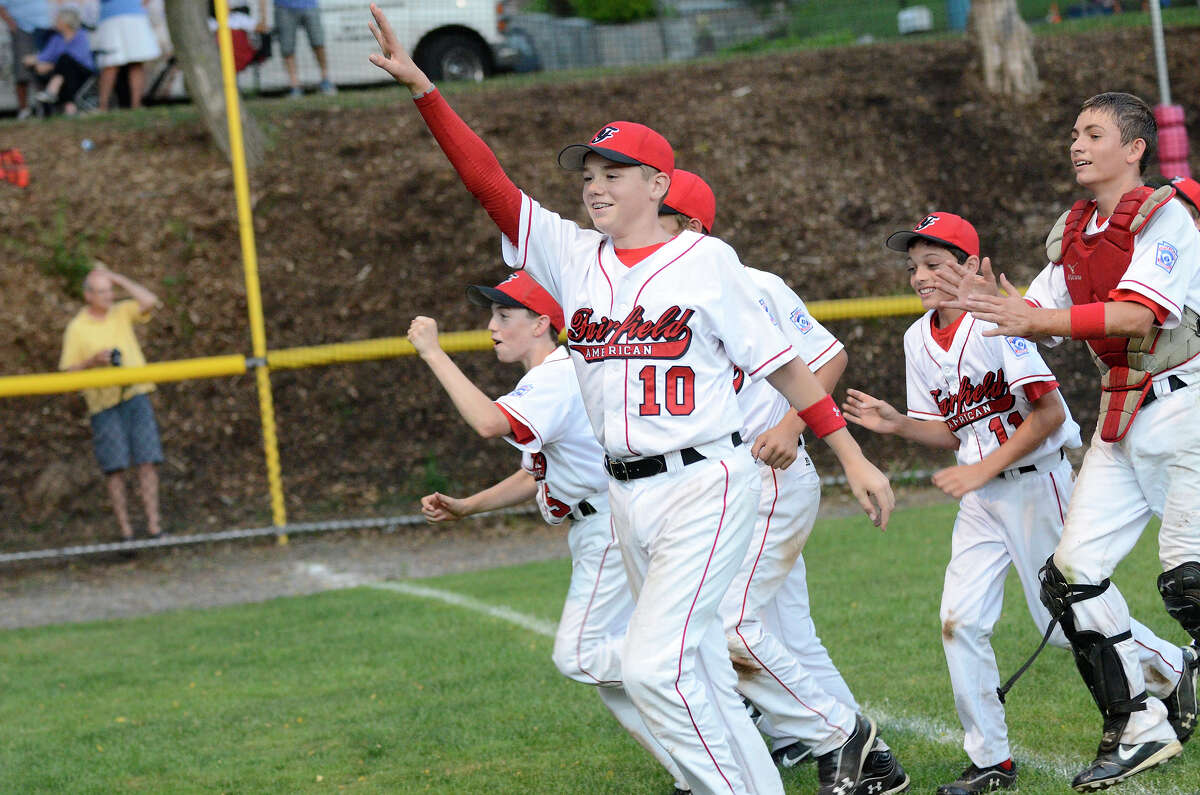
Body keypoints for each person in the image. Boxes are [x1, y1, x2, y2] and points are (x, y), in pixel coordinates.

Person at [366, 7, 894, 794]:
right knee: (698, 667)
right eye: (588, 173)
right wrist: (425, 91)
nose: (594, 185)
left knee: (653, 668)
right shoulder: (573, 257)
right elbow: (489, 185)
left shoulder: (709, 263)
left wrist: (851, 455)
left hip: (705, 480)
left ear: (657, 185)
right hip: (625, 494)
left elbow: (788, 368)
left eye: (613, 172)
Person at [844, 211, 1192, 794]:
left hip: (1036, 484)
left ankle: (1171, 666)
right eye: (913, 268)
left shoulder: (997, 322)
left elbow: (1048, 413)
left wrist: (979, 468)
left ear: (969, 265)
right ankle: (991, 759)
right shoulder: (915, 339)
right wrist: (899, 424)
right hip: (981, 498)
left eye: (935, 264)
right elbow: (954, 431)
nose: (921, 276)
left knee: (1063, 624)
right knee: (958, 622)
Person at [952, 92, 1200, 791]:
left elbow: (1136, 315)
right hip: (1124, 414)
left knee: (1189, 581)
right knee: (1070, 575)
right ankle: (1140, 725)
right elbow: (1041, 313)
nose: (1077, 144)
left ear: (1135, 149)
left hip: (1187, 403)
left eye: (1094, 133)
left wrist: (1035, 319)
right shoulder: (1073, 233)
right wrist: (999, 305)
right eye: (1073, 133)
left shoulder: (1165, 216)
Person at [660, 170, 909, 795]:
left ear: (691, 226)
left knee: (725, 624)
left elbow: (828, 357)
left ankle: (839, 738)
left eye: (658, 214)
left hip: (768, 475)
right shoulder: (651, 293)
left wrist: (793, 424)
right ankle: (872, 762)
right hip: (718, 486)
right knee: (791, 637)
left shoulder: (753, 284)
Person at [410, 271, 691, 794]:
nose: (492, 326)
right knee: (613, 684)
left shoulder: (556, 376)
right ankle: (694, 774)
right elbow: (532, 474)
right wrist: (469, 506)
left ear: (542, 324)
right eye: (491, 315)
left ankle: (696, 672)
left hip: (608, 526)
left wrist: (433, 353)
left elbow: (488, 423)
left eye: (504, 315)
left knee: (581, 656)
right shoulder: (554, 377)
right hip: (602, 524)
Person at [59, 264, 165, 541]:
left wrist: (118, 277)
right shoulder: (77, 329)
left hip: (135, 395)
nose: (109, 296)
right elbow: (67, 373)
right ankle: (125, 531)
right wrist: (93, 361)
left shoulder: (121, 312)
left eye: (110, 291)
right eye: (102, 292)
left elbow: (150, 301)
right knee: (115, 468)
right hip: (104, 405)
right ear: (88, 296)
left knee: (147, 461)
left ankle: (154, 526)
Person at [94, 0, 162, 111]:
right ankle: (103, 106)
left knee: (135, 62)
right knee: (110, 64)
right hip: (113, 17)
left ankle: (136, 105)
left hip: (131, 16)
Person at [26, 7, 95, 116]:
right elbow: (45, 56)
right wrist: (33, 60)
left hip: (82, 71)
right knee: (63, 72)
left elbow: (77, 58)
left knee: (65, 60)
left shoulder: (81, 35)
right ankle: (69, 105)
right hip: (65, 73)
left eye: (57, 19)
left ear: (65, 22)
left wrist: (51, 66)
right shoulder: (56, 38)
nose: (54, 22)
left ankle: (52, 91)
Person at [1, 0, 52, 119]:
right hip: (23, 29)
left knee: (44, 69)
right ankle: (24, 110)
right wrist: (12, 25)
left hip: (44, 28)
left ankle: (44, 108)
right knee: (22, 71)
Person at [273, 0, 334, 97]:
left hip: (309, 5)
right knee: (287, 48)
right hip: (283, 6)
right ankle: (294, 85)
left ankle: (325, 79)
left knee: (318, 42)